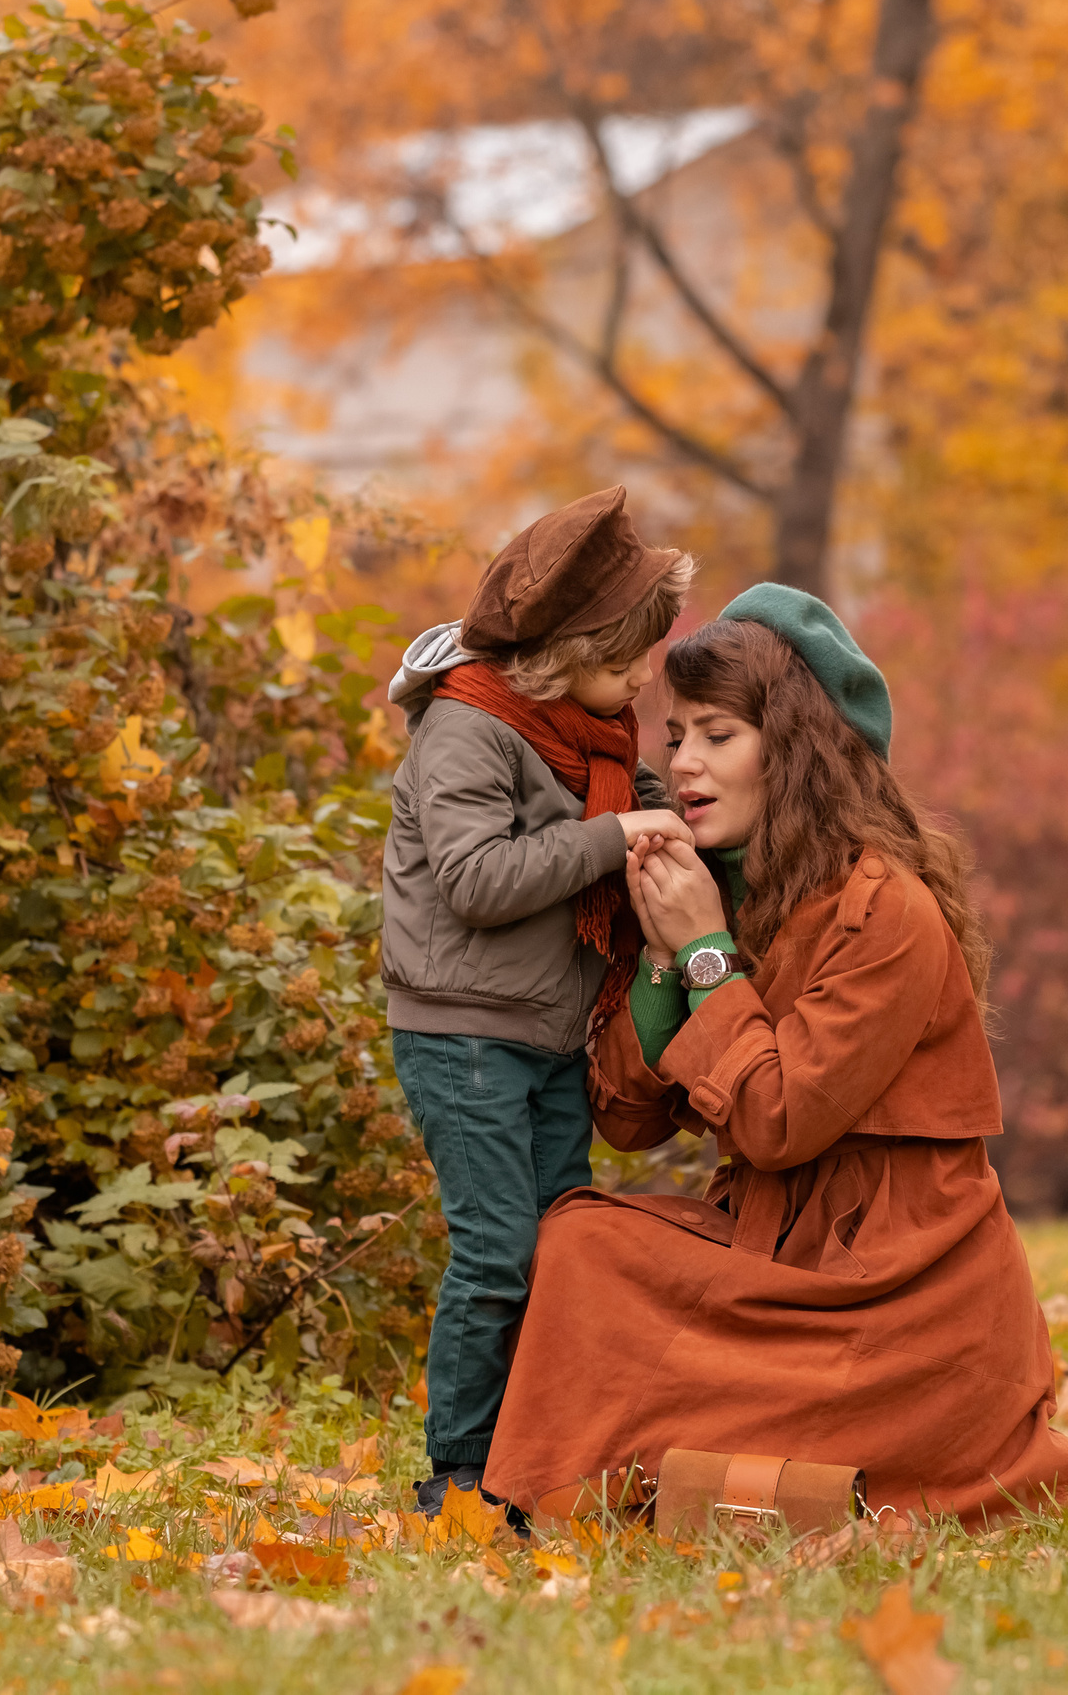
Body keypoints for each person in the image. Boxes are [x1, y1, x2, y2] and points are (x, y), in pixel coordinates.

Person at [480, 584, 1068, 1528]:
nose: (682, 763)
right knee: (583, 1241)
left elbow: (777, 1120)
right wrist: (660, 952)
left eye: (718, 734)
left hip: (899, 1307)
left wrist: (705, 954)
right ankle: (635, 1477)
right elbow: (629, 1118)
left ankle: (676, 1473)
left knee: (733, 1388)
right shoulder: (731, 887)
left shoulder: (888, 908)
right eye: (675, 734)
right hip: (771, 1266)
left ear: (797, 748)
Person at [381, 486, 698, 1515]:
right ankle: (460, 1474)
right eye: (620, 663)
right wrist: (613, 841)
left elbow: (636, 810)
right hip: (463, 1034)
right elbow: (475, 883)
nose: (640, 680)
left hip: (551, 1034)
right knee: (500, 1253)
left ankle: (540, 1454)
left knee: (564, 1246)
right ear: (552, 659)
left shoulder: (590, 732)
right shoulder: (468, 731)